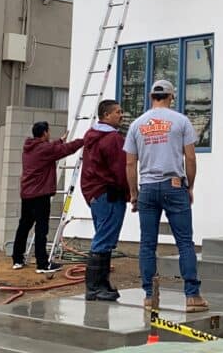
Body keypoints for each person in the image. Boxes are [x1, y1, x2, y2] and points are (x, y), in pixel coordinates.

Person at [125, 79, 208, 312]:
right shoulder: (181, 121)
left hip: (148, 188)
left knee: (147, 245)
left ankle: (150, 296)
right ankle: (192, 296)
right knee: (184, 243)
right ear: (171, 97)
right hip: (174, 185)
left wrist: (134, 194)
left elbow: (130, 163)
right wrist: (189, 187)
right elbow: (190, 158)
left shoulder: (137, 125)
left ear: (152, 96)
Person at [12, 121, 84, 274]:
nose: (50, 133)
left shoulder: (29, 147)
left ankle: (17, 260)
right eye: (49, 131)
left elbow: (52, 148)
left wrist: (59, 141)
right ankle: (42, 264)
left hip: (27, 194)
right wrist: (84, 141)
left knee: (24, 226)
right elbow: (65, 149)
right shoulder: (45, 149)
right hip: (40, 195)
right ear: (45, 133)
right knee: (41, 229)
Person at [80, 99, 128, 301]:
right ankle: (95, 287)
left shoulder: (91, 137)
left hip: (96, 194)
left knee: (103, 237)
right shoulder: (113, 139)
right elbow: (121, 170)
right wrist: (131, 192)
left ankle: (101, 285)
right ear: (106, 115)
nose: (121, 115)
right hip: (109, 194)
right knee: (103, 240)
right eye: (117, 112)